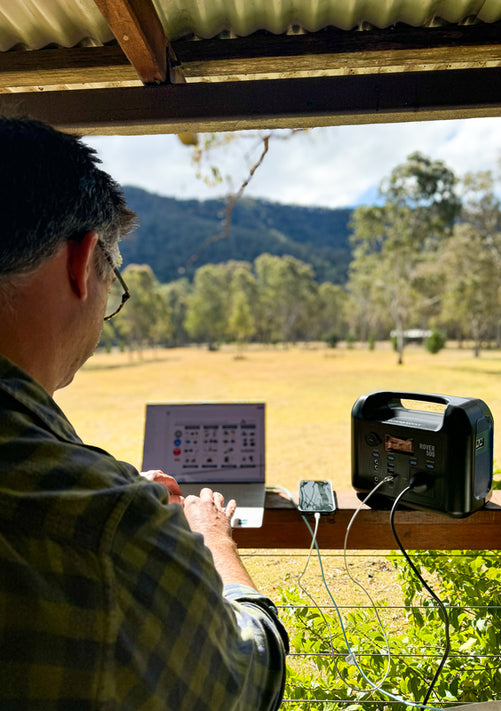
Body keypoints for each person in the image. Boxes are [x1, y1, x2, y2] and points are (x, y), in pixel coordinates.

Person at [0, 116, 288, 709]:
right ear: (83, 263)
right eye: (114, 280)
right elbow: (245, 682)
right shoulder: (112, 533)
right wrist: (212, 540)